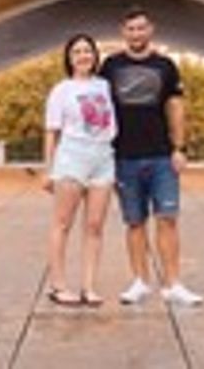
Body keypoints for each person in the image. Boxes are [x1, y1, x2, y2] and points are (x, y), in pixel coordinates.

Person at [101, 8, 204, 307]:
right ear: (123, 32)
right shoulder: (110, 66)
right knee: (134, 222)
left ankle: (173, 284)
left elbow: (175, 108)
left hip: (161, 156)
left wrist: (180, 148)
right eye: (131, 29)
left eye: (141, 28)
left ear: (151, 30)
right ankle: (139, 282)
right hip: (124, 156)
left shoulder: (165, 66)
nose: (136, 33)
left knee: (168, 219)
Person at [42, 33, 117, 307]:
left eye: (88, 51)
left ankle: (89, 286)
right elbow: (51, 132)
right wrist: (49, 170)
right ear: (69, 59)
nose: (84, 56)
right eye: (77, 52)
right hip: (72, 157)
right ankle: (58, 285)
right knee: (62, 224)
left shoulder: (105, 86)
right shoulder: (61, 90)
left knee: (95, 226)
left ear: (95, 56)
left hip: (103, 158)